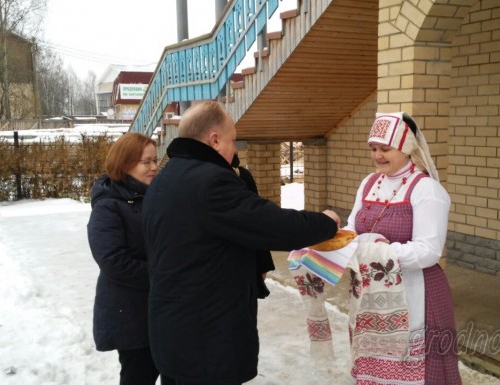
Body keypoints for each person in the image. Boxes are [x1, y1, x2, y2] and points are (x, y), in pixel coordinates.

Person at [142, 101, 340, 385]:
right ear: (214, 140)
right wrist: (327, 222)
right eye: (233, 141)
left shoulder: (166, 178)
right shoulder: (209, 182)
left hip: (173, 330)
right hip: (205, 338)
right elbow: (271, 224)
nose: (235, 150)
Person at [344, 112, 462, 384]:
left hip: (416, 294)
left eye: (385, 149)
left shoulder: (426, 190)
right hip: (370, 296)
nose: (377, 156)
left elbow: (428, 251)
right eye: (373, 149)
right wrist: (339, 242)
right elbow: (353, 228)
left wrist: (372, 250)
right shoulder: (369, 184)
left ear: (406, 147)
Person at [86, 132, 172, 385]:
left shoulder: (152, 196)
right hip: (131, 313)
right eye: (146, 162)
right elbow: (112, 260)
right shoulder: (108, 206)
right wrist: (163, 275)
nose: (154, 167)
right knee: (139, 375)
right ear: (125, 165)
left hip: (161, 309)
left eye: (155, 160)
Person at [231, 153, 274, 299]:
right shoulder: (207, 179)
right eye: (231, 141)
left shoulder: (243, 175)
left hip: (247, 259)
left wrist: (263, 262)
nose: (235, 148)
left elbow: (258, 221)